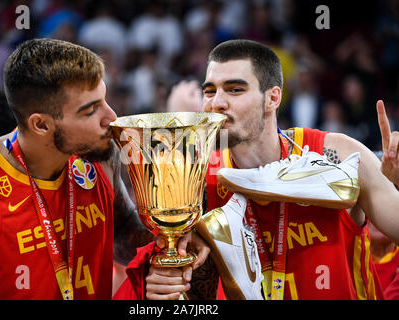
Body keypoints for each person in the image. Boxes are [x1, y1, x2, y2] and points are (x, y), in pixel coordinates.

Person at [124, 39, 399, 300]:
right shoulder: (196, 184)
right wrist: (165, 282)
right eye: (209, 91)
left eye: (234, 89)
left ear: (273, 98)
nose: (216, 103)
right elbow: (186, 285)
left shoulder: (338, 156)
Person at [0, 38, 208, 300]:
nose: (112, 117)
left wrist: (173, 239)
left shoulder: (98, 155)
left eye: (104, 99)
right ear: (41, 125)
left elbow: (122, 232)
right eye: (90, 110)